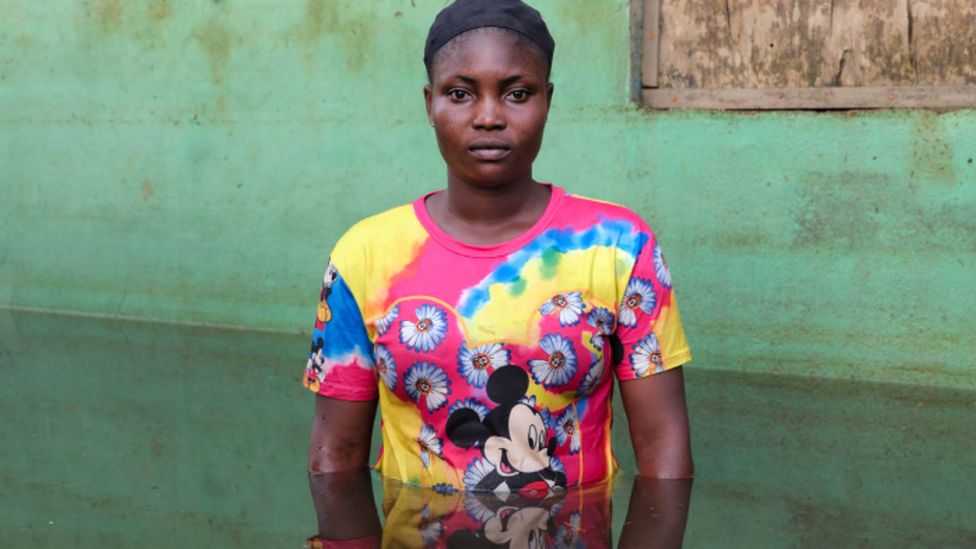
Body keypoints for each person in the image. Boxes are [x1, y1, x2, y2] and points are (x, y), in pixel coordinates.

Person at [304, 0, 693, 496]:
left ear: (547, 100)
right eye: (461, 93)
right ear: (430, 104)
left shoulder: (620, 246)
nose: (488, 117)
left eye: (516, 93)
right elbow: (334, 458)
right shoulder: (363, 256)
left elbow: (665, 453)